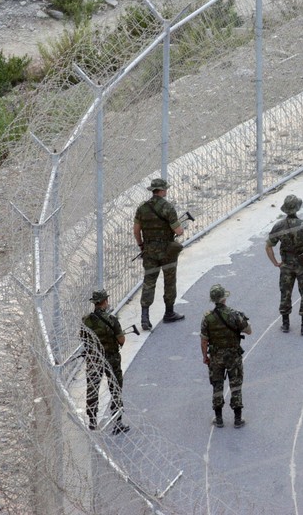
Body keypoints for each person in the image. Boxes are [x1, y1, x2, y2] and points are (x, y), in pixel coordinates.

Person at [265, 194, 303, 335]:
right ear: (297, 208)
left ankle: (285, 324)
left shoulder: (279, 226)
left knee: (285, 293)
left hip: (286, 265)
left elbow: (268, 246)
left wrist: (276, 263)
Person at [134, 178, 185, 330]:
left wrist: (142, 245)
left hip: (149, 250)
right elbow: (178, 230)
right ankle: (169, 313)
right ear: (162, 190)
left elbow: (136, 231)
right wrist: (180, 229)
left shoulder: (142, 208)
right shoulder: (168, 208)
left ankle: (144, 316)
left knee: (149, 281)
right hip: (167, 251)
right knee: (169, 281)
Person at [200, 284, 252, 428]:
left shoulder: (207, 318)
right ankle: (237, 418)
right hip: (233, 356)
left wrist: (205, 356)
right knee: (235, 384)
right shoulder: (234, 315)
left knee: (217, 385)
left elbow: (204, 341)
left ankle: (219, 418)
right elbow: (249, 331)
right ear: (224, 298)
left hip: (216, 357)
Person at [82, 289, 129, 434]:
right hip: (111, 358)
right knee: (115, 387)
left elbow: (84, 338)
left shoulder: (86, 320)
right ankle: (117, 422)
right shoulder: (111, 319)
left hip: (94, 359)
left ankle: (92, 421)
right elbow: (121, 340)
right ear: (105, 301)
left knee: (92, 388)